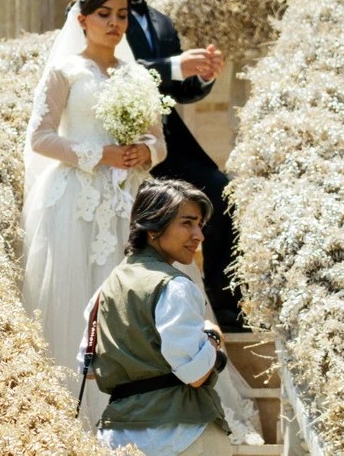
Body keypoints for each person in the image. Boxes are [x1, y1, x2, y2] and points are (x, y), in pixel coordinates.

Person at [21, 0, 166, 421]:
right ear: (82, 19)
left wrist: (143, 151)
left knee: (132, 292)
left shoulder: (138, 76)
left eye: (121, 15)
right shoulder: (65, 70)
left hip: (127, 198)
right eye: (104, 14)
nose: (114, 23)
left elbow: (160, 143)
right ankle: (73, 409)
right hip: (74, 201)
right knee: (76, 292)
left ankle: (140, 400)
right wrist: (97, 154)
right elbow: (40, 139)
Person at [100, 0, 245, 332]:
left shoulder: (161, 23)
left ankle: (227, 309)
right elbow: (114, 69)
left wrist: (202, 76)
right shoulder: (94, 14)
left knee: (222, 191)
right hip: (114, 140)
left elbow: (179, 89)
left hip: (167, 142)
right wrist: (175, 65)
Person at [79, 179, 232, 455]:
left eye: (200, 225)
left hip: (118, 439)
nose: (199, 236)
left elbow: (87, 367)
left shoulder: (106, 289)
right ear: (153, 227)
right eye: (187, 223)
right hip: (183, 435)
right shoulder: (175, 286)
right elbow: (195, 374)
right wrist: (212, 337)